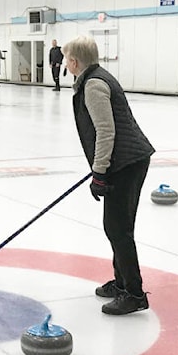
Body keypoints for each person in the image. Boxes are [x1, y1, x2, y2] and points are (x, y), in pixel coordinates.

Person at [64, 35, 155, 315]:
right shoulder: (96, 77)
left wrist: (99, 172)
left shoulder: (93, 85)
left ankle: (134, 293)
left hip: (126, 162)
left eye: (67, 58)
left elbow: (106, 130)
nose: (65, 62)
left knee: (118, 228)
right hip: (124, 160)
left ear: (75, 62)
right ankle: (121, 281)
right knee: (115, 226)